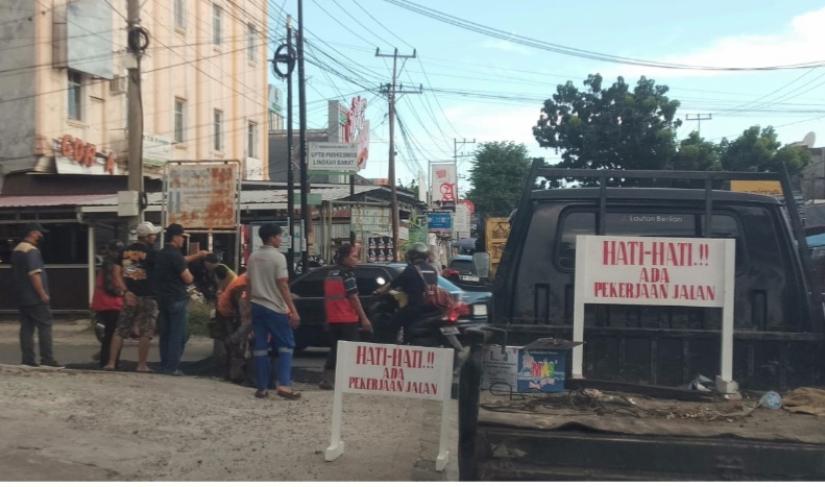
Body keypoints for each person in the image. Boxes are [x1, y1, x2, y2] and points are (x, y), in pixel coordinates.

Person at [247, 223, 301, 400]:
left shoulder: (253, 257)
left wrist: (248, 307)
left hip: (257, 305)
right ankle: (284, 385)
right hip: (275, 308)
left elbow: (248, 283)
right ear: (271, 238)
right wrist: (293, 310)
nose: (281, 239)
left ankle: (262, 387)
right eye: (279, 236)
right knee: (286, 346)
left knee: (261, 347)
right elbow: (283, 285)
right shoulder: (278, 258)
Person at [154, 223, 208, 375]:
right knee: (178, 335)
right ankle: (172, 367)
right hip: (177, 298)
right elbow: (187, 278)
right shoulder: (176, 255)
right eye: (182, 237)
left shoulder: (161, 254)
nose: (183, 240)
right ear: (176, 237)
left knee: (165, 334)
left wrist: (196, 256)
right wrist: (193, 274)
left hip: (162, 298)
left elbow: (180, 261)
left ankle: (164, 365)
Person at [106, 222, 161, 372]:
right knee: (146, 331)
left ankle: (111, 363)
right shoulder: (152, 253)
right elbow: (156, 273)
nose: (155, 237)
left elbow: (117, 273)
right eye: (153, 235)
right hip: (148, 296)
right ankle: (141, 364)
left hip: (130, 295)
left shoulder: (124, 252)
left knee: (120, 329)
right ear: (147, 237)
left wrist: (126, 291)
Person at [319, 243, 372, 390]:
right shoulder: (347, 275)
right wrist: (364, 318)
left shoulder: (331, 274)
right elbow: (353, 297)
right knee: (351, 350)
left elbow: (328, 297)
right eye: (354, 257)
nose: (357, 260)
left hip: (333, 318)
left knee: (335, 349)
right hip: (347, 318)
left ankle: (328, 379)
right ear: (345, 258)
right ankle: (352, 380)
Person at [12, 222, 60, 368]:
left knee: (26, 327)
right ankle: (47, 359)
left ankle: (27, 359)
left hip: (21, 295)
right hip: (34, 296)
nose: (41, 235)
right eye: (39, 232)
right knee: (45, 325)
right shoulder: (32, 251)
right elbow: (34, 274)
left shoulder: (16, 250)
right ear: (32, 233)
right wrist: (42, 293)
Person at [388, 242, 443, 338]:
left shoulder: (411, 269)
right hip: (431, 307)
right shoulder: (432, 269)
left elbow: (395, 283)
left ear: (413, 256)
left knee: (391, 326)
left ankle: (391, 344)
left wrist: (378, 291)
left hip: (414, 307)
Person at [91, 240, 126, 369]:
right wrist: (124, 293)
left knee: (110, 334)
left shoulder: (108, 262)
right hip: (110, 304)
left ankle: (107, 359)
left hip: (105, 303)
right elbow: (110, 286)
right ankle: (109, 361)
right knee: (113, 334)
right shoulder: (111, 264)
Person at [215, 272, 251, 382]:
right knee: (235, 344)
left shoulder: (246, 278)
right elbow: (240, 304)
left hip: (227, 310)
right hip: (227, 312)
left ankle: (231, 373)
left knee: (235, 344)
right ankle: (235, 375)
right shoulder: (242, 285)